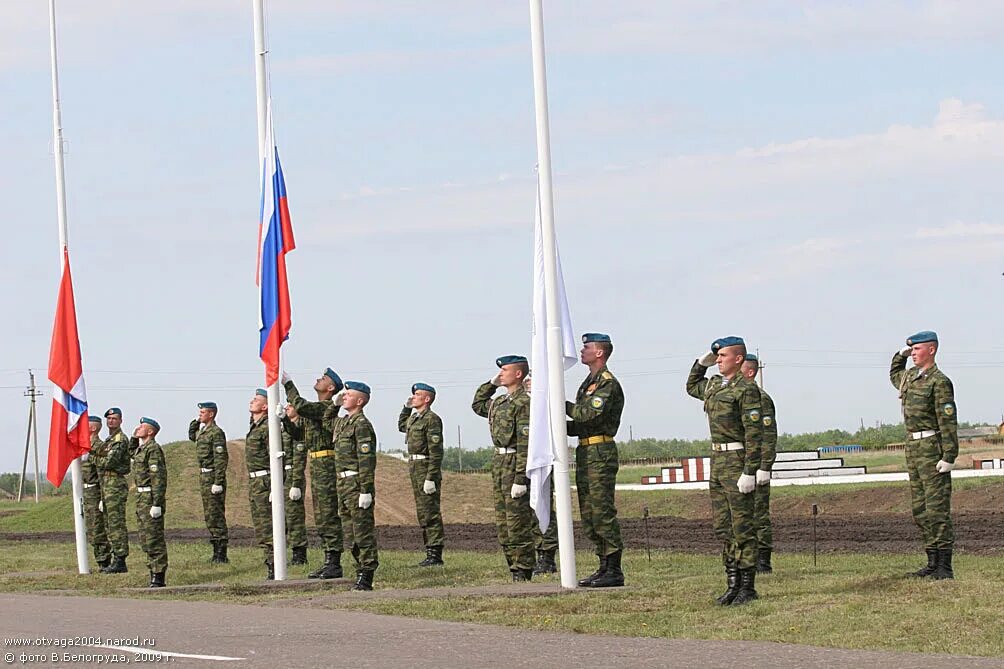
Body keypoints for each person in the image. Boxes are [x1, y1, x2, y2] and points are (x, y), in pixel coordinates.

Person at [686, 336, 764, 606]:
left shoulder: (746, 390)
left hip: (736, 458)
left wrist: (750, 470)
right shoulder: (715, 385)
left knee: (743, 526)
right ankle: (732, 583)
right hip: (718, 460)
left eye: (723, 357)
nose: (718, 360)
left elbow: (755, 435)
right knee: (723, 526)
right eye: (717, 357)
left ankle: (747, 586)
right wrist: (700, 364)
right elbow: (692, 386)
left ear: (738, 359)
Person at [890, 330, 958, 580]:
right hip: (913, 448)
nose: (913, 354)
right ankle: (931, 561)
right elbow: (894, 374)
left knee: (937, 508)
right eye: (911, 350)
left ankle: (944, 566)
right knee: (920, 509)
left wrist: (949, 455)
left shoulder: (939, 381)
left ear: (931, 349)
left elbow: (948, 420)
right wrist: (900, 355)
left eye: (917, 349)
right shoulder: (910, 377)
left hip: (932, 447)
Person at [566, 333, 626, 588]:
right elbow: (580, 424)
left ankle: (614, 568)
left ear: (599, 352)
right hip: (586, 451)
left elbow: (587, 414)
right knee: (589, 513)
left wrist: (559, 403)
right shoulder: (588, 383)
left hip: (600, 452)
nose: (582, 350)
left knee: (602, 511)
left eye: (586, 347)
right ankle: (603, 565)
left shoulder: (607, 384)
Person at [471, 355, 535, 582]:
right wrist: (491, 385)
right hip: (499, 464)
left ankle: (523, 569)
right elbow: (478, 404)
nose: (501, 374)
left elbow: (526, 442)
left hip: (515, 461)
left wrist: (521, 477)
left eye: (504, 370)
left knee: (517, 520)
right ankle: (512, 566)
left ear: (518, 374)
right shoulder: (499, 402)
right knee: (503, 522)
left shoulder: (524, 403)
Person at [283, 368, 343, 579]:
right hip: (316, 463)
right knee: (321, 515)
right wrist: (284, 421)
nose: (318, 378)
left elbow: (300, 405)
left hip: (326, 463)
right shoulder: (314, 410)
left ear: (331, 388)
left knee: (328, 514)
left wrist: (288, 384)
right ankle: (329, 560)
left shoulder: (325, 407)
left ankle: (334, 562)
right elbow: (299, 434)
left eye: (323, 378)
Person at [329, 381, 379, 591]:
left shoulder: (362, 425)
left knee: (362, 531)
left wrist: (365, 490)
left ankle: (367, 574)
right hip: (342, 483)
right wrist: (334, 404)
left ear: (360, 401)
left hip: (356, 483)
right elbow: (326, 420)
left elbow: (366, 460)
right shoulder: (343, 423)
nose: (344, 396)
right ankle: (359, 569)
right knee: (349, 532)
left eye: (348, 395)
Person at [398, 382, 446, 567]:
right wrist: (405, 408)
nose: (413, 397)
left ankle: (435, 553)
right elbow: (402, 425)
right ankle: (429, 551)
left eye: (417, 394)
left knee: (430, 511)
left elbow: (436, 451)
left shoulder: (431, 419)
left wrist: (431, 477)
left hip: (425, 466)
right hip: (415, 466)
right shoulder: (414, 418)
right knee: (423, 511)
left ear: (427, 399)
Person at [740, 353, 777, 573]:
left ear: (751, 372)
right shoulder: (738, 396)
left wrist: (765, 467)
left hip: (756, 466)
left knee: (759, 513)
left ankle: (763, 559)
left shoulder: (761, 398)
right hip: (740, 464)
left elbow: (768, 434)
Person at [524, 373, 557, 575]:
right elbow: (480, 405)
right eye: (527, 378)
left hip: (541, 462)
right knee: (527, 514)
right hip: (520, 463)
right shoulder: (516, 402)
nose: (528, 381)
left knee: (543, 506)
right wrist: (493, 384)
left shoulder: (546, 404)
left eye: (533, 377)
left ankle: (547, 557)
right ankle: (534, 555)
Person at [188, 401, 229, 564]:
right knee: (209, 515)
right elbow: (192, 435)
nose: (200, 415)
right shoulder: (203, 431)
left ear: (211, 414)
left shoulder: (216, 432)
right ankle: (216, 549)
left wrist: (218, 481)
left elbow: (221, 458)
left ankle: (221, 553)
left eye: (202, 413)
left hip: (213, 476)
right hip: (204, 477)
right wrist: (196, 422)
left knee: (216, 514)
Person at [130, 417, 168, 588]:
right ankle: (152, 570)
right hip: (141, 498)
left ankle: (158, 575)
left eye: (142, 427)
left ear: (150, 431)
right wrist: (134, 436)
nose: (138, 428)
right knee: (145, 538)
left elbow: (158, 478)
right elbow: (130, 452)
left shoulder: (153, 449)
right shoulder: (141, 448)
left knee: (154, 538)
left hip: (150, 497)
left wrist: (157, 503)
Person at [96, 407, 130, 574]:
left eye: (114, 418)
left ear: (120, 421)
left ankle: (120, 559)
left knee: (116, 523)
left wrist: (93, 457)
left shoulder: (120, 440)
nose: (111, 421)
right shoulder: (108, 440)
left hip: (115, 483)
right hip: (107, 483)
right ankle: (115, 557)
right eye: (109, 418)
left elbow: (108, 462)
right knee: (110, 523)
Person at [246, 389, 274, 579]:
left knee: (268, 525)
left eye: (256, 399)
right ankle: (269, 563)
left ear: (265, 406)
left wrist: (274, 485)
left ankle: (274, 565)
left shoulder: (268, 428)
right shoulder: (255, 426)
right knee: (260, 527)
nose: (251, 401)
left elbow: (275, 456)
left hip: (265, 480)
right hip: (255, 481)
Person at [82, 416, 111, 570]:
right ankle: (100, 558)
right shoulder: (83, 446)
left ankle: (104, 561)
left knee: (97, 527)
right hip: (85, 492)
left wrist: (101, 497)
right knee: (91, 528)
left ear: (92, 428)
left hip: (94, 491)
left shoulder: (99, 446)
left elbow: (101, 473)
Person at [281, 404, 309, 566]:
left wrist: (296, 483)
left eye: (290, 406)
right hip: (283, 473)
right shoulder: (285, 428)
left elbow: (299, 457)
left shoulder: (299, 428)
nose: (287, 408)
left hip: (293, 474)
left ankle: (299, 554)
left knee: (294, 516)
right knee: (283, 515)